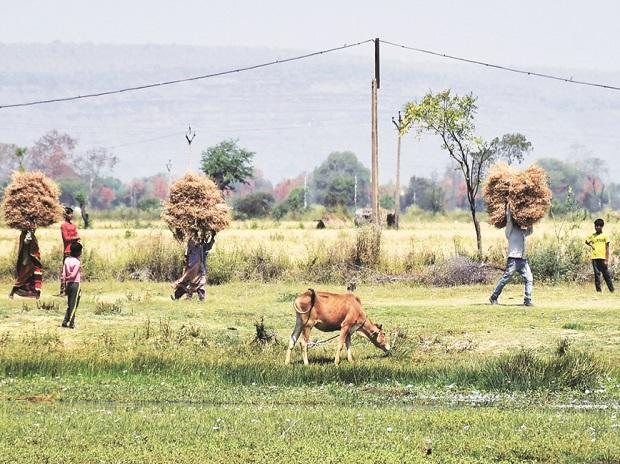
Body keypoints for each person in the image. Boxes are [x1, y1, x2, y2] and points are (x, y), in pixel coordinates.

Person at [489, 206, 534, 306]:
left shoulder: (522, 231)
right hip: (513, 259)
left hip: (523, 260)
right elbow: (509, 220)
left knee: (529, 278)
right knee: (506, 278)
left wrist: (531, 218)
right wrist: (510, 207)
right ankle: (493, 297)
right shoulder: (510, 231)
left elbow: (530, 231)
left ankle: (527, 300)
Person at [171, 231, 216, 302]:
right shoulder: (193, 244)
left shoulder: (202, 246)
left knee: (199, 285)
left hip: (198, 269)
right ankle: (177, 297)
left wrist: (212, 237)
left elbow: (209, 246)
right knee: (186, 283)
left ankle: (201, 299)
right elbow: (187, 254)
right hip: (191, 268)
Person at [9, 229, 42, 299]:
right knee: (24, 275)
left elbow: (34, 247)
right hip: (28, 259)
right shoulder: (26, 234)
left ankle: (36, 293)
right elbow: (26, 245)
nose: (34, 229)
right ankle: (13, 292)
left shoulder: (30, 235)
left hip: (32, 258)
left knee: (36, 274)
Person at [585, 218, 614, 293]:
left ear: (602, 226)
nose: (596, 227)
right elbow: (586, 241)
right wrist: (591, 245)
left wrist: (606, 259)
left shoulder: (605, 236)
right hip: (595, 258)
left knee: (606, 275)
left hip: (603, 258)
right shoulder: (592, 235)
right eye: (595, 226)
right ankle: (598, 291)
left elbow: (607, 248)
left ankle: (612, 290)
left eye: (598, 226)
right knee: (597, 275)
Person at [59, 207, 80, 296]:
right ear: (65, 215)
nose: (71, 215)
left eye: (71, 213)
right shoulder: (63, 226)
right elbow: (66, 238)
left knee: (75, 270)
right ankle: (63, 290)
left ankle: (71, 289)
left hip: (75, 251)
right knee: (65, 271)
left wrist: (75, 238)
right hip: (67, 251)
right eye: (69, 213)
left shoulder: (73, 226)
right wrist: (75, 238)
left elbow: (77, 236)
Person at [61, 242, 83, 329]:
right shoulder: (77, 262)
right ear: (78, 252)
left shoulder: (66, 260)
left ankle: (65, 320)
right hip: (75, 284)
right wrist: (69, 277)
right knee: (74, 304)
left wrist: (65, 281)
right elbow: (73, 275)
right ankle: (71, 322)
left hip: (68, 284)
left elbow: (63, 274)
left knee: (70, 304)